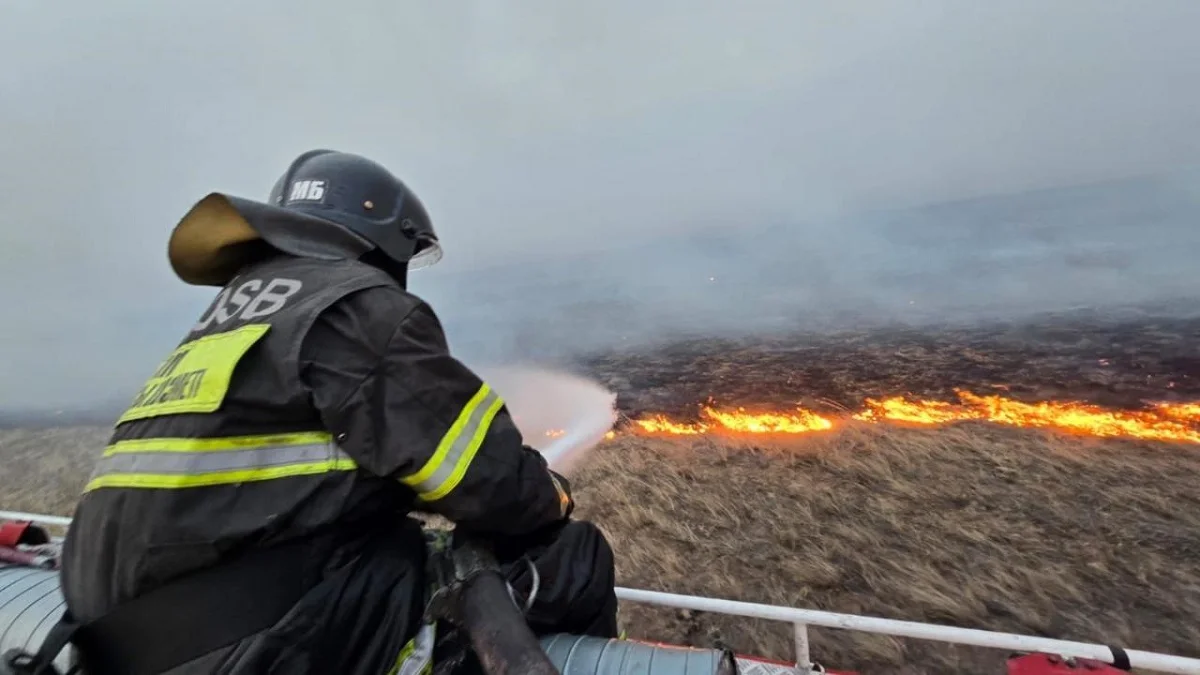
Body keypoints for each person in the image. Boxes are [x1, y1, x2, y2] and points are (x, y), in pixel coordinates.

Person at [56, 149, 619, 674]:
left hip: (116, 636)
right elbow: (490, 482)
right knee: (575, 558)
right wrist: (551, 495)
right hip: (241, 641)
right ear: (385, 243)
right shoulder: (359, 307)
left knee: (403, 547)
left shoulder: (232, 318)